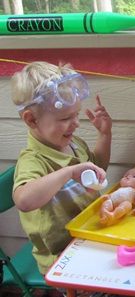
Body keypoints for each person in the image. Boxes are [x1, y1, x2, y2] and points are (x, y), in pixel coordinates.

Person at [11, 61, 112, 276]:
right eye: (66, 118)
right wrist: (68, 172)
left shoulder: (74, 143)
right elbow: (24, 201)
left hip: (90, 235)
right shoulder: (33, 160)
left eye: (76, 115)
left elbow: (97, 169)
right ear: (31, 119)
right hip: (62, 258)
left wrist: (104, 135)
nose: (76, 123)